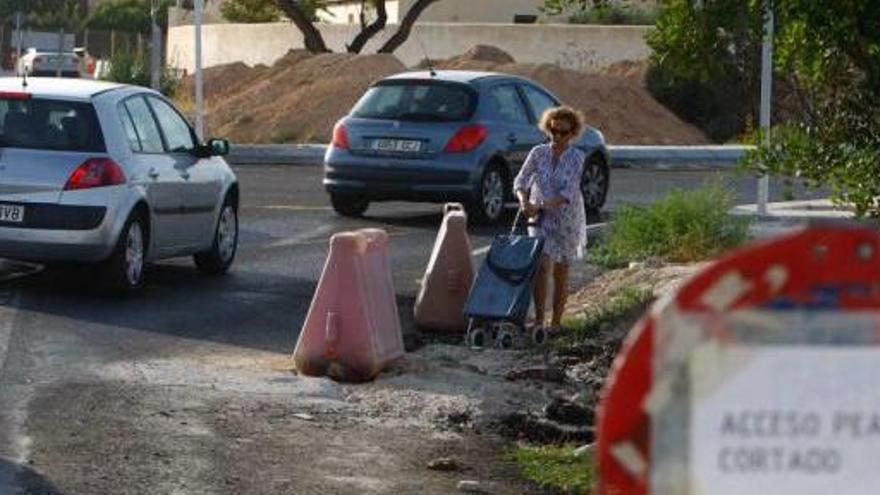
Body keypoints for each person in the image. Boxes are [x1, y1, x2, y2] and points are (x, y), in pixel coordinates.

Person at [513, 106, 588, 334]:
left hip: (565, 217)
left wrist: (540, 206)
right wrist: (524, 202)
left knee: (561, 269)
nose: (557, 137)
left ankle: (556, 322)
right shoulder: (538, 152)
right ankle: (538, 321)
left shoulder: (576, 157)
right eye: (553, 131)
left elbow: (568, 193)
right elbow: (521, 180)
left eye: (563, 133)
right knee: (540, 266)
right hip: (537, 217)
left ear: (572, 134)